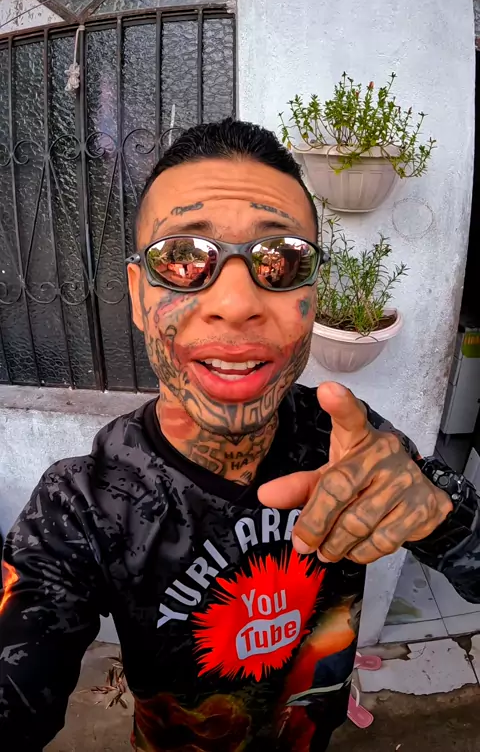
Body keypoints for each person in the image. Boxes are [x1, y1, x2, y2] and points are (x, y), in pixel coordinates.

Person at [0, 119, 479, 752]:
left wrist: (441, 516)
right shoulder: (82, 505)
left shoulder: (349, 441)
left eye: (282, 260)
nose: (236, 303)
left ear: (312, 295)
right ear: (139, 296)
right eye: (182, 258)